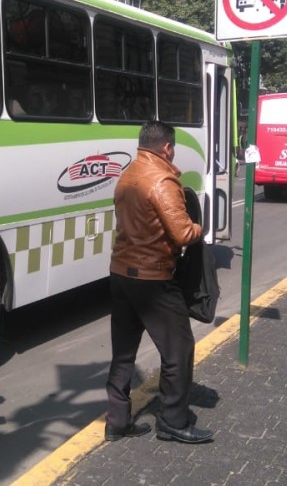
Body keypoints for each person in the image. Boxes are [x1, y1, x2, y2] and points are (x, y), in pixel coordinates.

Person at [105, 120, 213, 444]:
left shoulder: (128, 175)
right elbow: (182, 233)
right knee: (179, 349)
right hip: (153, 278)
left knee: (123, 353)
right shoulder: (162, 180)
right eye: (173, 149)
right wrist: (199, 227)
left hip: (121, 273)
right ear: (167, 148)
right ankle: (173, 421)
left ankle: (117, 421)